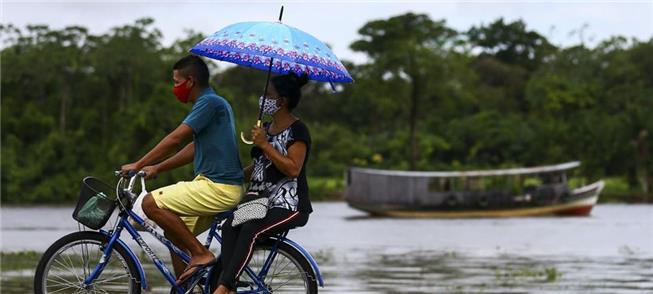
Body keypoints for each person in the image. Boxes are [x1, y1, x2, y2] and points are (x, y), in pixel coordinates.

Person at [120, 55, 243, 283]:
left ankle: (201, 254)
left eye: (177, 82)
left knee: (150, 203)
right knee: (175, 235)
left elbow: (176, 138)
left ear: (191, 81)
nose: (174, 88)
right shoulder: (213, 104)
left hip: (218, 187)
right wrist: (157, 167)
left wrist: (137, 164)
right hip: (214, 186)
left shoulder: (210, 103)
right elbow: (194, 148)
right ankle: (188, 288)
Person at [213, 73, 313, 294]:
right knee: (230, 226)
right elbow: (259, 168)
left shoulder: (298, 130)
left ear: (282, 101)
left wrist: (265, 145)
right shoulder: (265, 129)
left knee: (251, 229)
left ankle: (223, 288)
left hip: (289, 205)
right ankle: (228, 284)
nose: (262, 98)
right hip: (259, 202)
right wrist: (233, 176)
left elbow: (293, 169)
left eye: (267, 95)